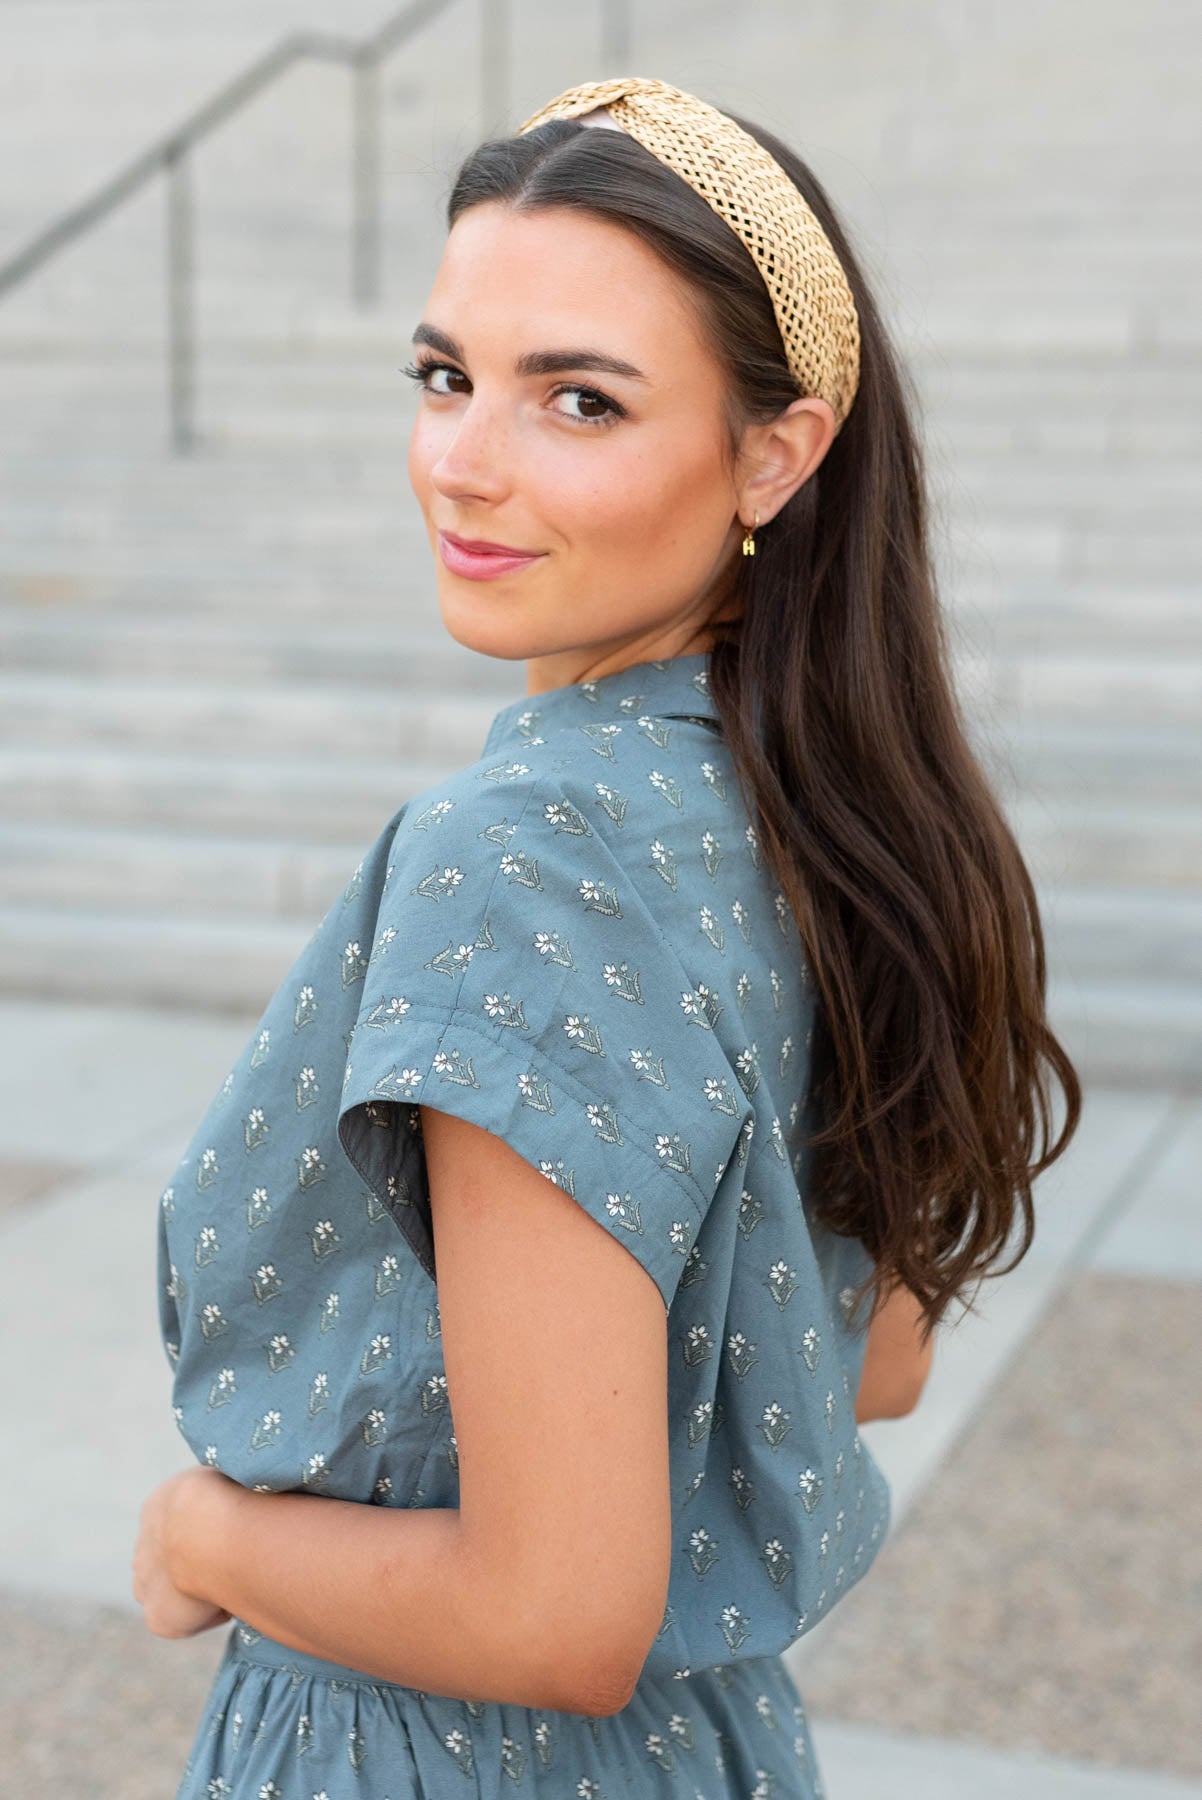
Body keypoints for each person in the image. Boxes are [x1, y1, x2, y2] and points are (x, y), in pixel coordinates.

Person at [132, 76, 1082, 1800]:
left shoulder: (527, 853)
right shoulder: (831, 813)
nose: (463, 465)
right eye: (445, 376)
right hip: (705, 1745)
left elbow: (553, 1612)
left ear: (773, 453)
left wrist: (207, 1537)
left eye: (578, 399)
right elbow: (864, 1360)